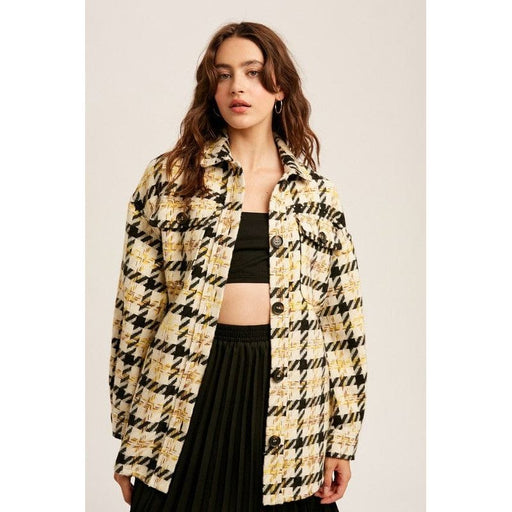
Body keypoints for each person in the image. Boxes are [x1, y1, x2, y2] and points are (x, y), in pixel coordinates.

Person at [109, 21, 367, 512]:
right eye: (223, 74)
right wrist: (130, 434)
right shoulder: (170, 178)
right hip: (185, 383)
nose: (237, 87)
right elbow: (136, 309)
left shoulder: (317, 194)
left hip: (292, 392)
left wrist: (342, 437)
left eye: (252, 72)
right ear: (211, 89)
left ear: (279, 88)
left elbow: (340, 321)